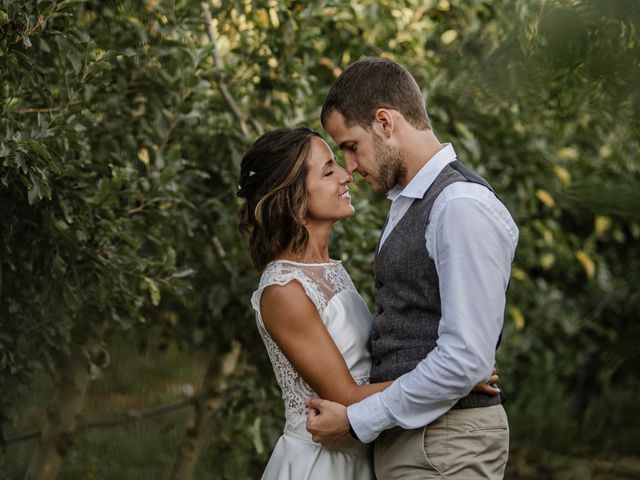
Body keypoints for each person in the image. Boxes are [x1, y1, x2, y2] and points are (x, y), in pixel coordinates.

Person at [237, 126, 500, 479]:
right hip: (323, 464)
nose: (347, 175)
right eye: (329, 171)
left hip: (363, 453)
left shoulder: (327, 271)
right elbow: (345, 394)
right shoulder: (284, 290)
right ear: (291, 197)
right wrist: (454, 381)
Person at [306, 57, 518, 479]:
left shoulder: (459, 206)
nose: (349, 166)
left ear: (385, 122)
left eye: (350, 146)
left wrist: (358, 419)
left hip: (446, 443)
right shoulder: (412, 202)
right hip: (421, 439)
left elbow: (465, 361)